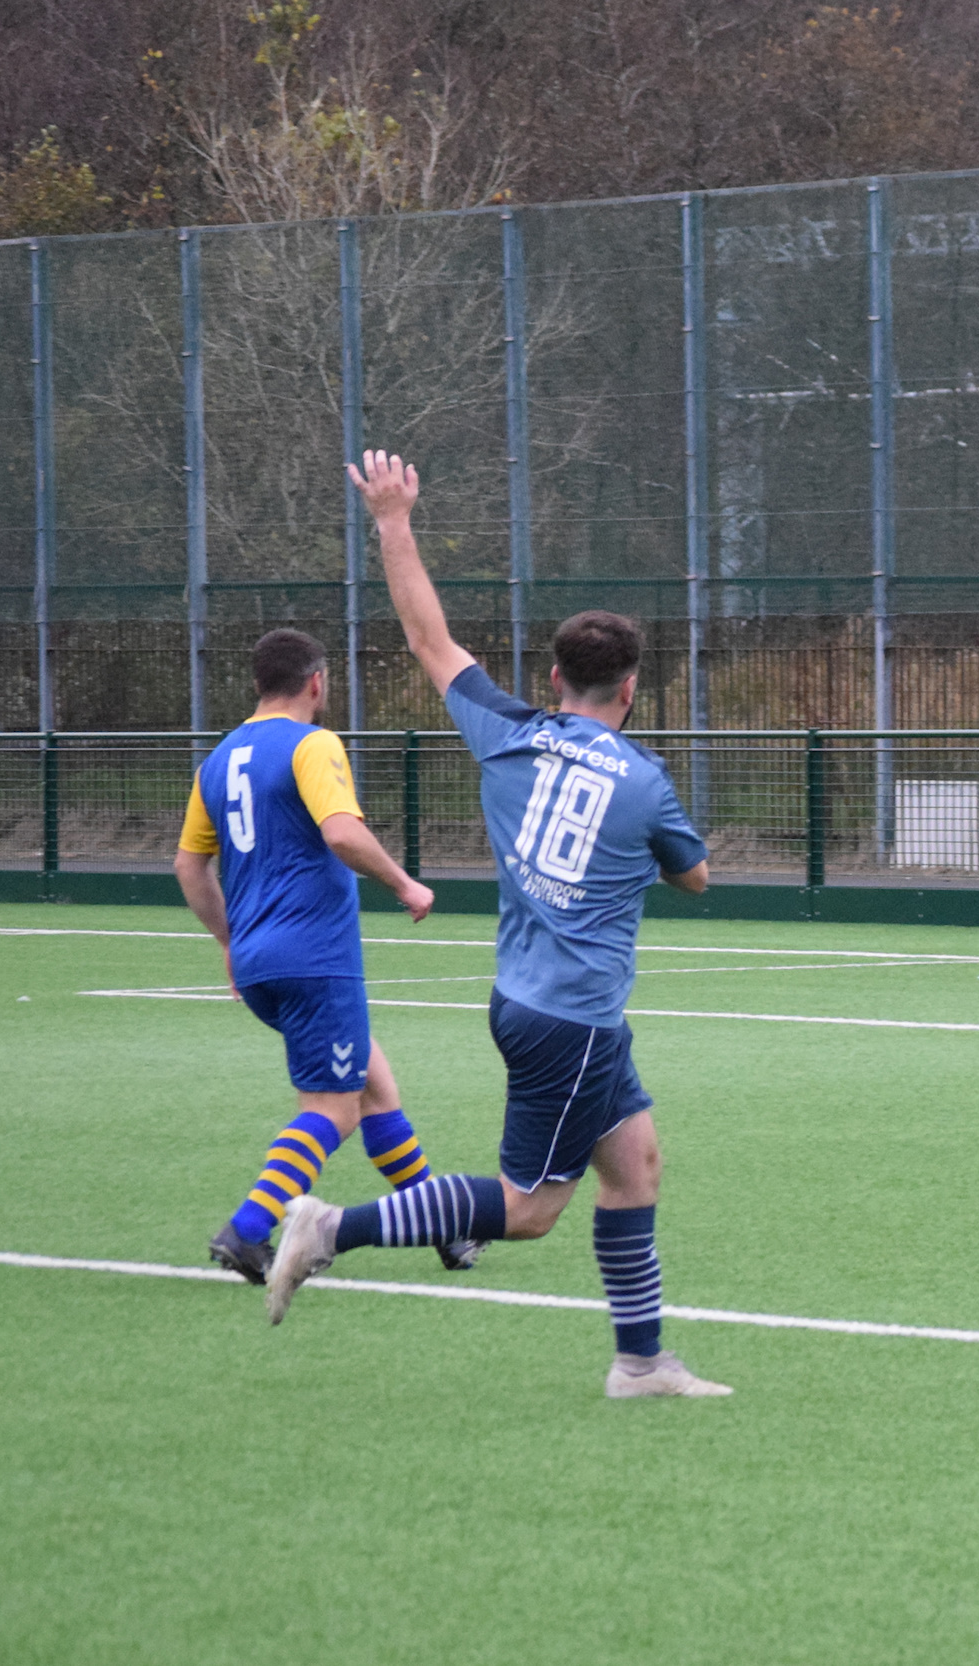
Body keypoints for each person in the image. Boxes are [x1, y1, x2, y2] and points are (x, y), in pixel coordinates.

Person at [265, 449, 729, 1400]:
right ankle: (327, 1228)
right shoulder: (644, 780)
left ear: (554, 676)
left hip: (527, 998)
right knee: (526, 1212)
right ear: (631, 689)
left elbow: (429, 638)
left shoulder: (505, 729)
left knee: (634, 1163)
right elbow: (696, 879)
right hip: (573, 1017)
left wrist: (394, 519)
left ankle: (641, 1361)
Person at [175, 628, 482, 1282]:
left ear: (259, 683)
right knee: (331, 1111)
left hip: (260, 961)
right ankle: (248, 1230)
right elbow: (342, 832)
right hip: (315, 958)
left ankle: (442, 1229)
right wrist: (404, 882)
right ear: (317, 682)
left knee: (374, 1086)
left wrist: (229, 941)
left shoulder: (221, 756)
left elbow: (189, 865)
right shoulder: (314, 744)